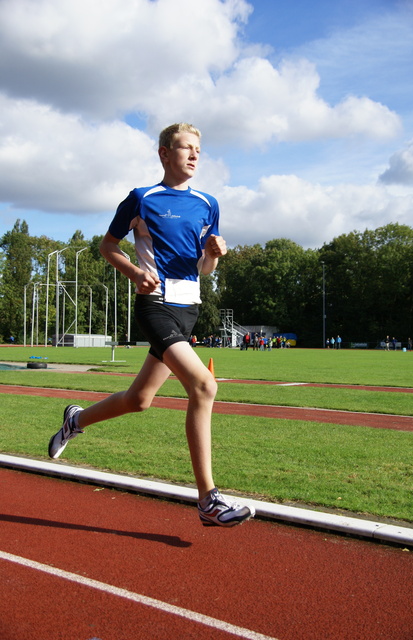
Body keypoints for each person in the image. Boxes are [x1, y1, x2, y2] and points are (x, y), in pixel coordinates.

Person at [48, 123, 255, 528]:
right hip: (154, 305)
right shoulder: (142, 199)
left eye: (199, 149)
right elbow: (107, 246)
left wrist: (215, 253)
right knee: (204, 385)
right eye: (185, 148)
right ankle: (208, 500)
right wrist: (133, 273)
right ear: (164, 153)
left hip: (188, 308)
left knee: (139, 399)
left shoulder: (208, 204)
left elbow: (204, 268)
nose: (194, 155)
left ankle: (75, 420)